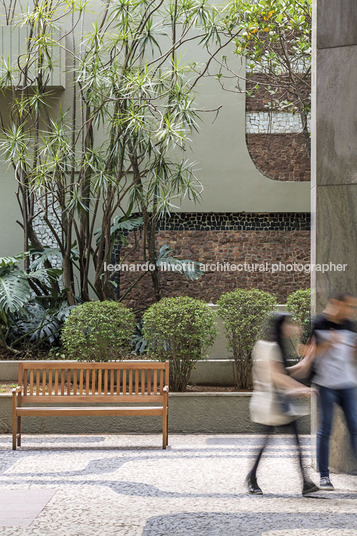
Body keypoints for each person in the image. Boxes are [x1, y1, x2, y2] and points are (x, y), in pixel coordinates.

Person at [246, 312, 319, 496]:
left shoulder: (276, 347)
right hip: (272, 406)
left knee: (291, 442)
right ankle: (252, 477)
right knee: (271, 443)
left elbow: (286, 373)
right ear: (280, 327)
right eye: (289, 324)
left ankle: (304, 482)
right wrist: (303, 389)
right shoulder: (271, 348)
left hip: (279, 405)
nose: (292, 327)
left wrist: (307, 359)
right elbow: (278, 377)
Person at [310, 292, 357, 490]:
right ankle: (324, 476)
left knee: (355, 427)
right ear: (337, 304)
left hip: (347, 383)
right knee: (325, 429)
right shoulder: (319, 323)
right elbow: (306, 352)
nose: (351, 311)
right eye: (349, 306)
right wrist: (327, 344)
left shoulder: (350, 326)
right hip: (326, 383)